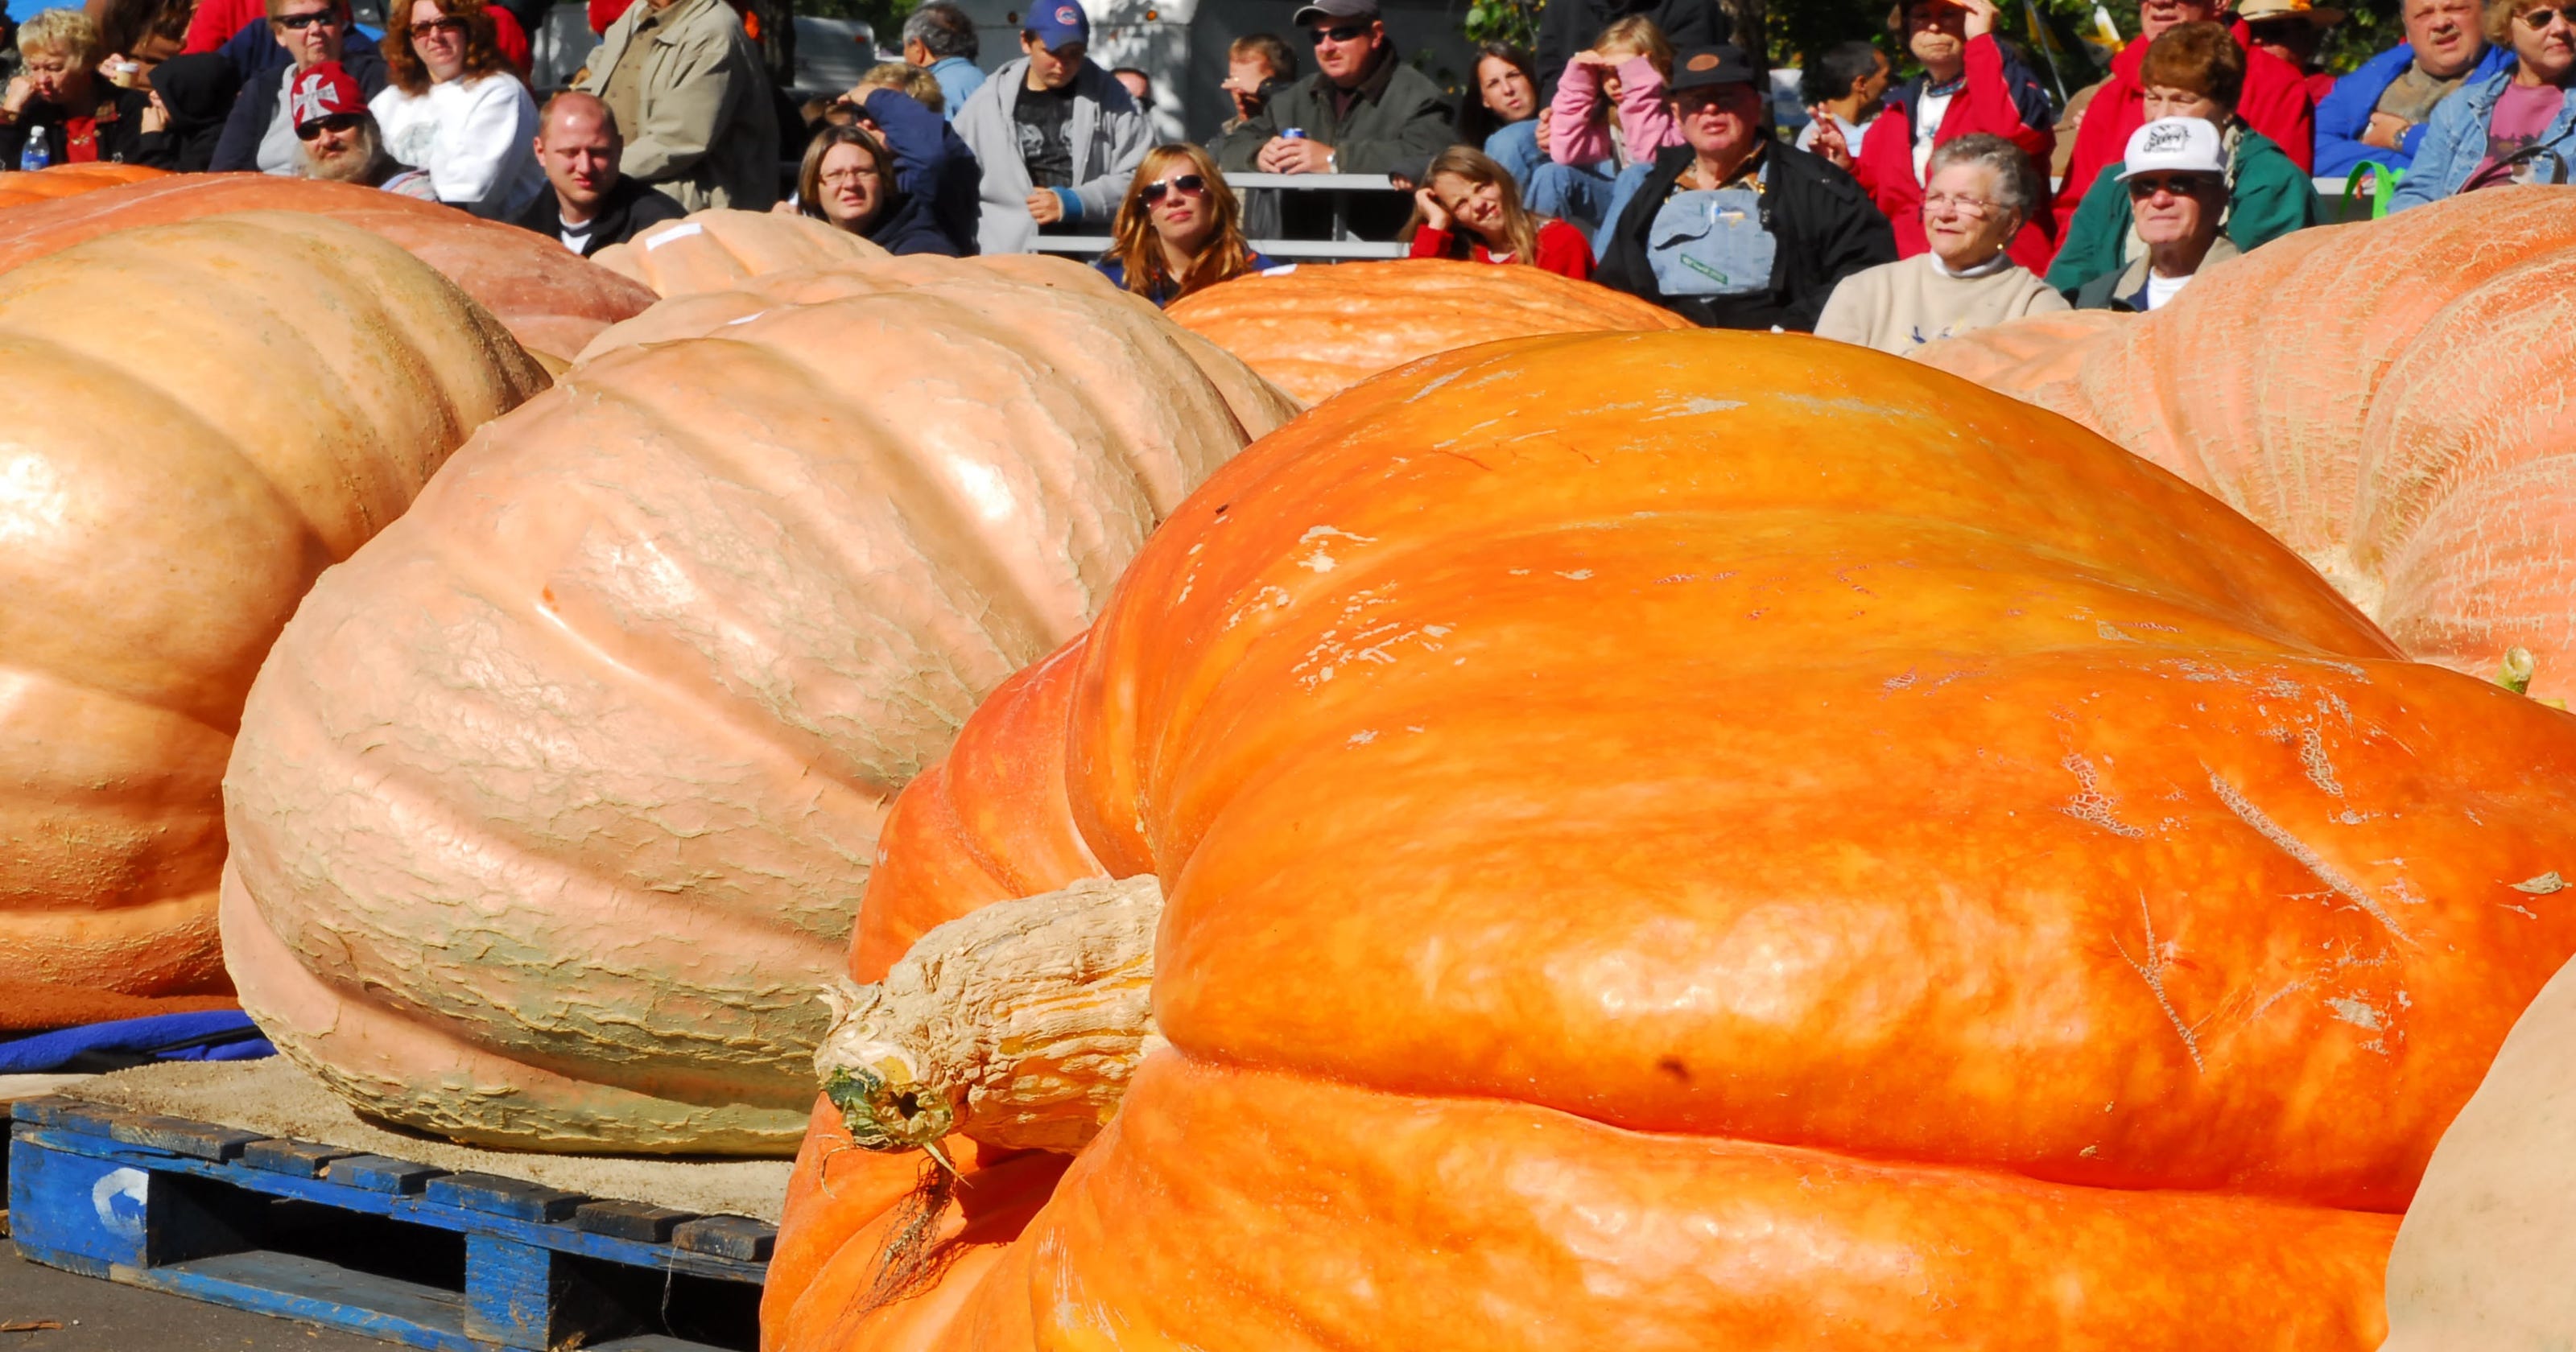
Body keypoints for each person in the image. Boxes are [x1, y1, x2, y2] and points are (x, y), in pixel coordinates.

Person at [1596, 45, 1897, 330]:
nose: (1711, 109)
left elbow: (1866, 271)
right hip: (1667, 357)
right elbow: (1613, 289)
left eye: (1726, 97)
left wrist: (1793, 328)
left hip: (1780, 356)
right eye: (1696, 100)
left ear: (1756, 104)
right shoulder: (1650, 194)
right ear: (1676, 114)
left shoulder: (1817, 185)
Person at [2046, 23, 2319, 291]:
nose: (2161, 115)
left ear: (2228, 106)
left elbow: (2265, 289)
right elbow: (2068, 283)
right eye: (2153, 98)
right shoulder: (2114, 181)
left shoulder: (2271, 182)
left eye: (2182, 100)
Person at [1827, 0, 2054, 272]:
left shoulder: (2008, 83)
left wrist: (1982, 40)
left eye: (1948, 14)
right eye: (1921, 16)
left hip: (2002, 273)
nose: (1933, 26)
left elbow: (2013, 135)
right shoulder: (1895, 112)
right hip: (1920, 279)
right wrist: (1848, 168)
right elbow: (1882, 200)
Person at [1211, 0, 1455, 237]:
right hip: (1305, 268)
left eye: (1341, 34)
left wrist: (1335, 160)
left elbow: (1436, 158)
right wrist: (1260, 154)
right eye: (1318, 37)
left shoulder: (1419, 96)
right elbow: (1233, 145)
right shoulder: (1297, 98)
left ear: (1376, 34)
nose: (1327, 47)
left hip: (1385, 265)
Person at [1814, 133, 2066, 353]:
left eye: (1966, 200)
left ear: (2010, 222)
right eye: (1935, 197)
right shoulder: (1865, 291)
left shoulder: (2035, 306)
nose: (1944, 212)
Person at [950, 2, 1149, 253]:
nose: (1062, 65)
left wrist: (1076, 202)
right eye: (1052, 52)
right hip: (1009, 262)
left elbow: (1144, 177)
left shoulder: (1115, 99)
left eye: (1074, 54)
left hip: (1092, 259)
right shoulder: (988, 101)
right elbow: (956, 178)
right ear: (1026, 42)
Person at [576, 0, 780, 210]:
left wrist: (593, 168)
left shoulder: (714, 31)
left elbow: (678, 140)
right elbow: (593, 83)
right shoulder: (637, 13)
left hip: (687, 212)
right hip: (619, 191)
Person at [371, 0, 545, 220]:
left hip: (483, 236)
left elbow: (471, 193)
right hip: (397, 225)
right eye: (422, 28)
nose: (435, 35)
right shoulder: (388, 101)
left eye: (446, 24)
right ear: (409, 39)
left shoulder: (499, 92)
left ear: (469, 29)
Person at [2390, 0, 2576, 202]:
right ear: (2506, 27)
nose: (2560, 28)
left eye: (2571, 14)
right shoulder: (2459, 110)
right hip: (2458, 229)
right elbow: (2415, 196)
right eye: (2540, 18)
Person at [2316, 0, 2513, 174]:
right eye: (2424, 14)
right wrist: (2398, 167)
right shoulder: (2373, 76)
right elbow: (2314, 150)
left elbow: (2490, 159)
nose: (2441, 23)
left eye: (2456, 9)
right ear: (2406, 24)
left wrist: (2402, 137)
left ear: (2488, 15)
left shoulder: (2517, 77)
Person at [2069, 117, 2240, 308]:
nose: (2160, 200)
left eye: (2181, 184)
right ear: (2133, 201)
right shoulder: (2098, 297)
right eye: (2145, 186)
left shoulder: (2260, 289)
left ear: (2220, 197)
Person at [1535, 16, 1680, 241]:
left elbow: (1648, 156)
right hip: (1621, 204)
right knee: (1551, 174)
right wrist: (1579, 80)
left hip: (1668, 204)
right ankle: (1538, 264)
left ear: (1651, 67)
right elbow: (1564, 153)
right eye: (1605, 72)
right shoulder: (1610, 114)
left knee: (1634, 175)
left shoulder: (1680, 109)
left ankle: (1603, 275)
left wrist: (1639, 86)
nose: (1613, 82)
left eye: (1622, 71)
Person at [211, 0, 386, 172]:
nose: (315, 29)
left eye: (325, 18)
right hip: (264, 195)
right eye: (299, 22)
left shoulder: (374, 77)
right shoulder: (262, 90)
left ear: (340, 22)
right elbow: (225, 172)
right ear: (279, 34)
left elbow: (383, 160)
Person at [1096, 142, 1274, 304]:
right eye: (1155, 192)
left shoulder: (1258, 275)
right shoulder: (1112, 280)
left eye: (1188, 184)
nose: (1173, 198)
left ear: (1214, 196)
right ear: (1147, 213)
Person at [511, 91, 681, 255]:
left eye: (598, 153)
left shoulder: (661, 228)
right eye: (571, 153)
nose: (585, 167)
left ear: (619, 149)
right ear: (541, 152)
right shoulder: (520, 229)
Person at [1, 8, 173, 166]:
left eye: (54, 68)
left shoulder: (129, 110)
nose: (42, 79)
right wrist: (10, 111)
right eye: (35, 68)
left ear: (85, 63)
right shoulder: (35, 111)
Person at [1406, 143, 1595, 277]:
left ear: (1500, 180)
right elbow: (1411, 295)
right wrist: (1436, 223)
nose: (1479, 204)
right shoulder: (1461, 257)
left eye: (1481, 187)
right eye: (1461, 203)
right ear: (1454, 218)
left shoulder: (1558, 242)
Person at [844, 64, 979, 249]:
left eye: (881, 115)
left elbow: (931, 157)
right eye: (861, 112)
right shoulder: (848, 168)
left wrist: (877, 99)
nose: (866, 122)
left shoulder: (935, 174)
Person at [1534, 0, 1729, 101]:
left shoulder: (1690, 7)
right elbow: (1551, 72)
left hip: (1664, 126)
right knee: (1515, 140)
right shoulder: (1562, 7)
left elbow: (1692, 79)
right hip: (1581, 125)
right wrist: (1552, 113)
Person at [291, 60, 433, 194]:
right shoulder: (302, 196)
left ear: (367, 126)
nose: (327, 140)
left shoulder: (412, 192)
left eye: (338, 124)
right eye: (309, 131)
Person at [1457, 42, 1544, 188]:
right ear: (1485, 100)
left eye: (1513, 75)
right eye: (1493, 84)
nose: (1507, 89)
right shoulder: (1484, 151)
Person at [1796, 40, 1888, 159]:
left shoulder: (1813, 132)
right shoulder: (1823, 140)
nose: (1892, 85)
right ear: (1861, 84)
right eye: (1887, 76)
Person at [2240, 0, 2343, 101]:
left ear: (2305, 37)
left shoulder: (2332, 96)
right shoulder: (2232, 90)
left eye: (2272, 30)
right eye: (2250, 32)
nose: (2257, 40)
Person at [902, 1, 984, 119]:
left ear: (917, 47)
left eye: (905, 47)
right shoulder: (985, 81)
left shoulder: (930, 93)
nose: (904, 56)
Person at [1220, 31, 1298, 134]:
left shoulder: (1307, 126)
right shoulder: (1226, 138)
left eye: (1250, 83)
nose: (1240, 92)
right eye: (1234, 81)